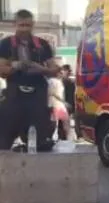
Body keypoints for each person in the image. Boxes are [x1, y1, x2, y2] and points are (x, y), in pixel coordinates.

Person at [0, 9, 59, 151]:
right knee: (4, 136)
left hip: (38, 94)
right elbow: (2, 71)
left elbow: (54, 70)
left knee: (39, 140)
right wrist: (16, 66)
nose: (24, 29)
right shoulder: (6, 44)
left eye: (28, 25)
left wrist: (40, 68)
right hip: (15, 94)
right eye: (21, 25)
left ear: (33, 25)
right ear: (15, 24)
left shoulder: (43, 44)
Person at [60, 64, 77, 139]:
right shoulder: (62, 81)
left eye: (69, 71)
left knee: (66, 124)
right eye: (67, 71)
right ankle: (64, 137)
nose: (68, 72)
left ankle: (65, 137)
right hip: (64, 105)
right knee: (64, 124)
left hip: (69, 104)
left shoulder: (71, 82)